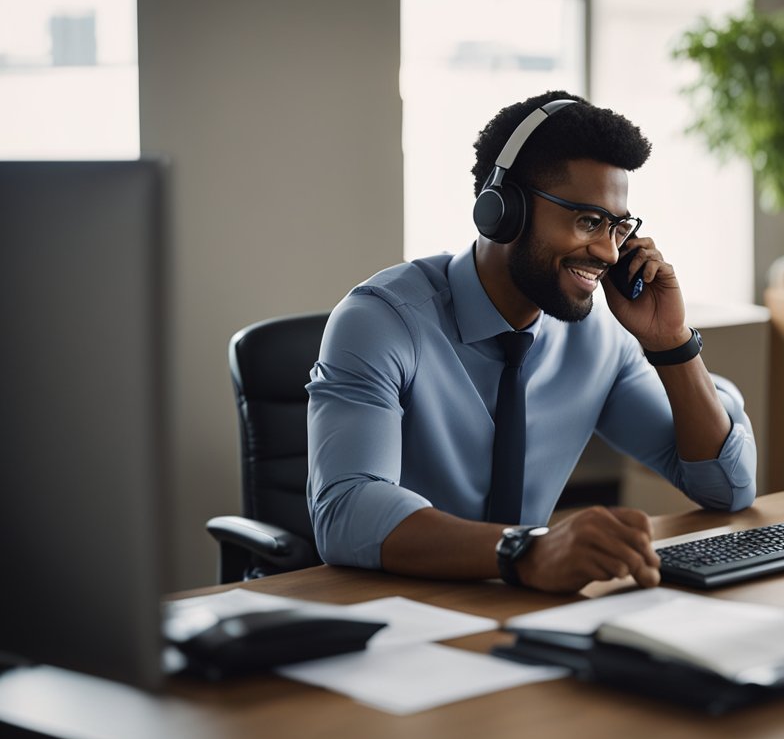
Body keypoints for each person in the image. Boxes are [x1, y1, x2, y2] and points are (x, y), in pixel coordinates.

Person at [306, 90, 756, 593]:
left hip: (522, 608)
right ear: (504, 211)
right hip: (397, 608)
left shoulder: (600, 341)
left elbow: (726, 488)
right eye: (588, 221)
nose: (609, 252)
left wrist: (671, 343)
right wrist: (526, 550)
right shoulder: (382, 322)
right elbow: (346, 509)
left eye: (618, 226)